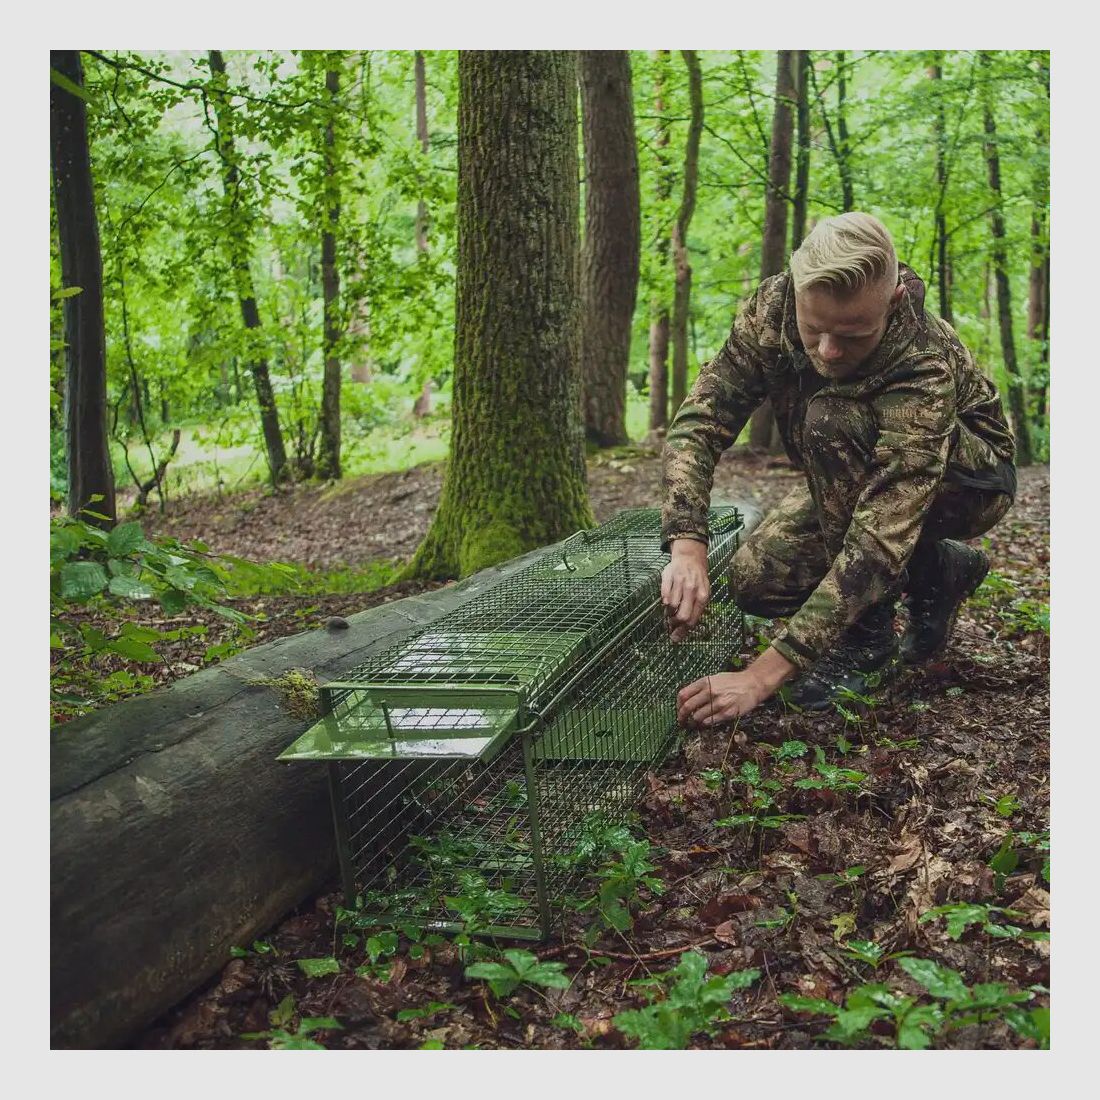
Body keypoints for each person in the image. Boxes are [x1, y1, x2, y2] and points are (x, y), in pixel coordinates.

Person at [661, 212, 1016, 727]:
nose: (827, 351)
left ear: (891, 303)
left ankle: (867, 643)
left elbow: (878, 538)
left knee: (833, 415)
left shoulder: (922, 362)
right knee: (757, 580)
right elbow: (702, 418)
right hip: (859, 479)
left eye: (853, 334)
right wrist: (687, 544)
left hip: (969, 484)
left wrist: (760, 676)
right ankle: (938, 568)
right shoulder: (773, 306)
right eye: (814, 329)